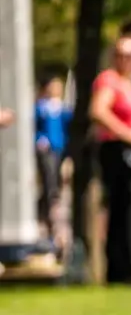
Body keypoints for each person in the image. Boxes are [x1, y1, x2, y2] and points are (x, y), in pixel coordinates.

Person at [88, 35, 131, 286]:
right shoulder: (109, 80)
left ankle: (128, 267)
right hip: (118, 151)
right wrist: (128, 134)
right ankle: (123, 271)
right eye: (119, 54)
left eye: (129, 55)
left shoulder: (130, 84)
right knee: (123, 210)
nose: (124, 60)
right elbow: (98, 111)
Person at [34, 76, 70, 245]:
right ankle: (46, 214)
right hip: (46, 149)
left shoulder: (62, 109)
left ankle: (46, 212)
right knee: (49, 181)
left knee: (56, 181)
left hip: (59, 148)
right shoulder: (41, 107)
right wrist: (39, 140)